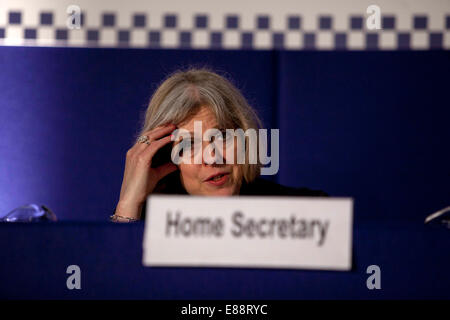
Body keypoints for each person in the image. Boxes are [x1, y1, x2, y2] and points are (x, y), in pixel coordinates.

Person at [111, 68, 327, 222]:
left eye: (223, 136)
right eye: (190, 145)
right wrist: (128, 204)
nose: (212, 157)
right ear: (166, 158)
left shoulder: (309, 211)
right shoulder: (143, 221)